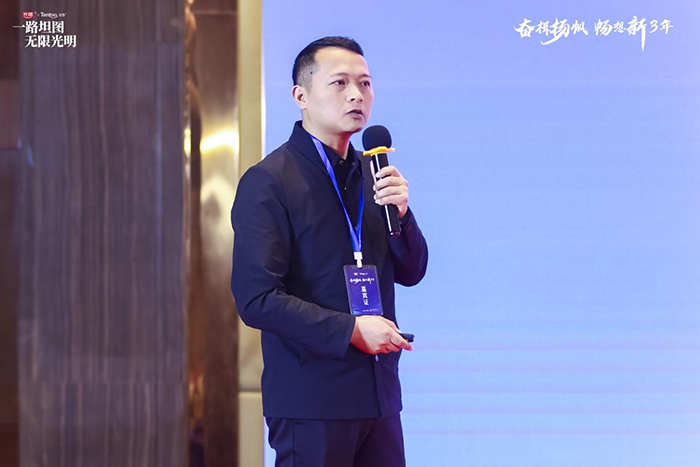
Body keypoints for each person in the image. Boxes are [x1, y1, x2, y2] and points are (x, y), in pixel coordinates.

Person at [231, 36, 428, 467]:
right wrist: (351, 330)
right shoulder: (269, 182)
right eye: (340, 83)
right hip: (312, 401)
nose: (357, 95)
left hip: (378, 396)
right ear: (301, 96)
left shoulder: (373, 175)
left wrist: (403, 214)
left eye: (365, 83)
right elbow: (257, 299)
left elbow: (412, 271)